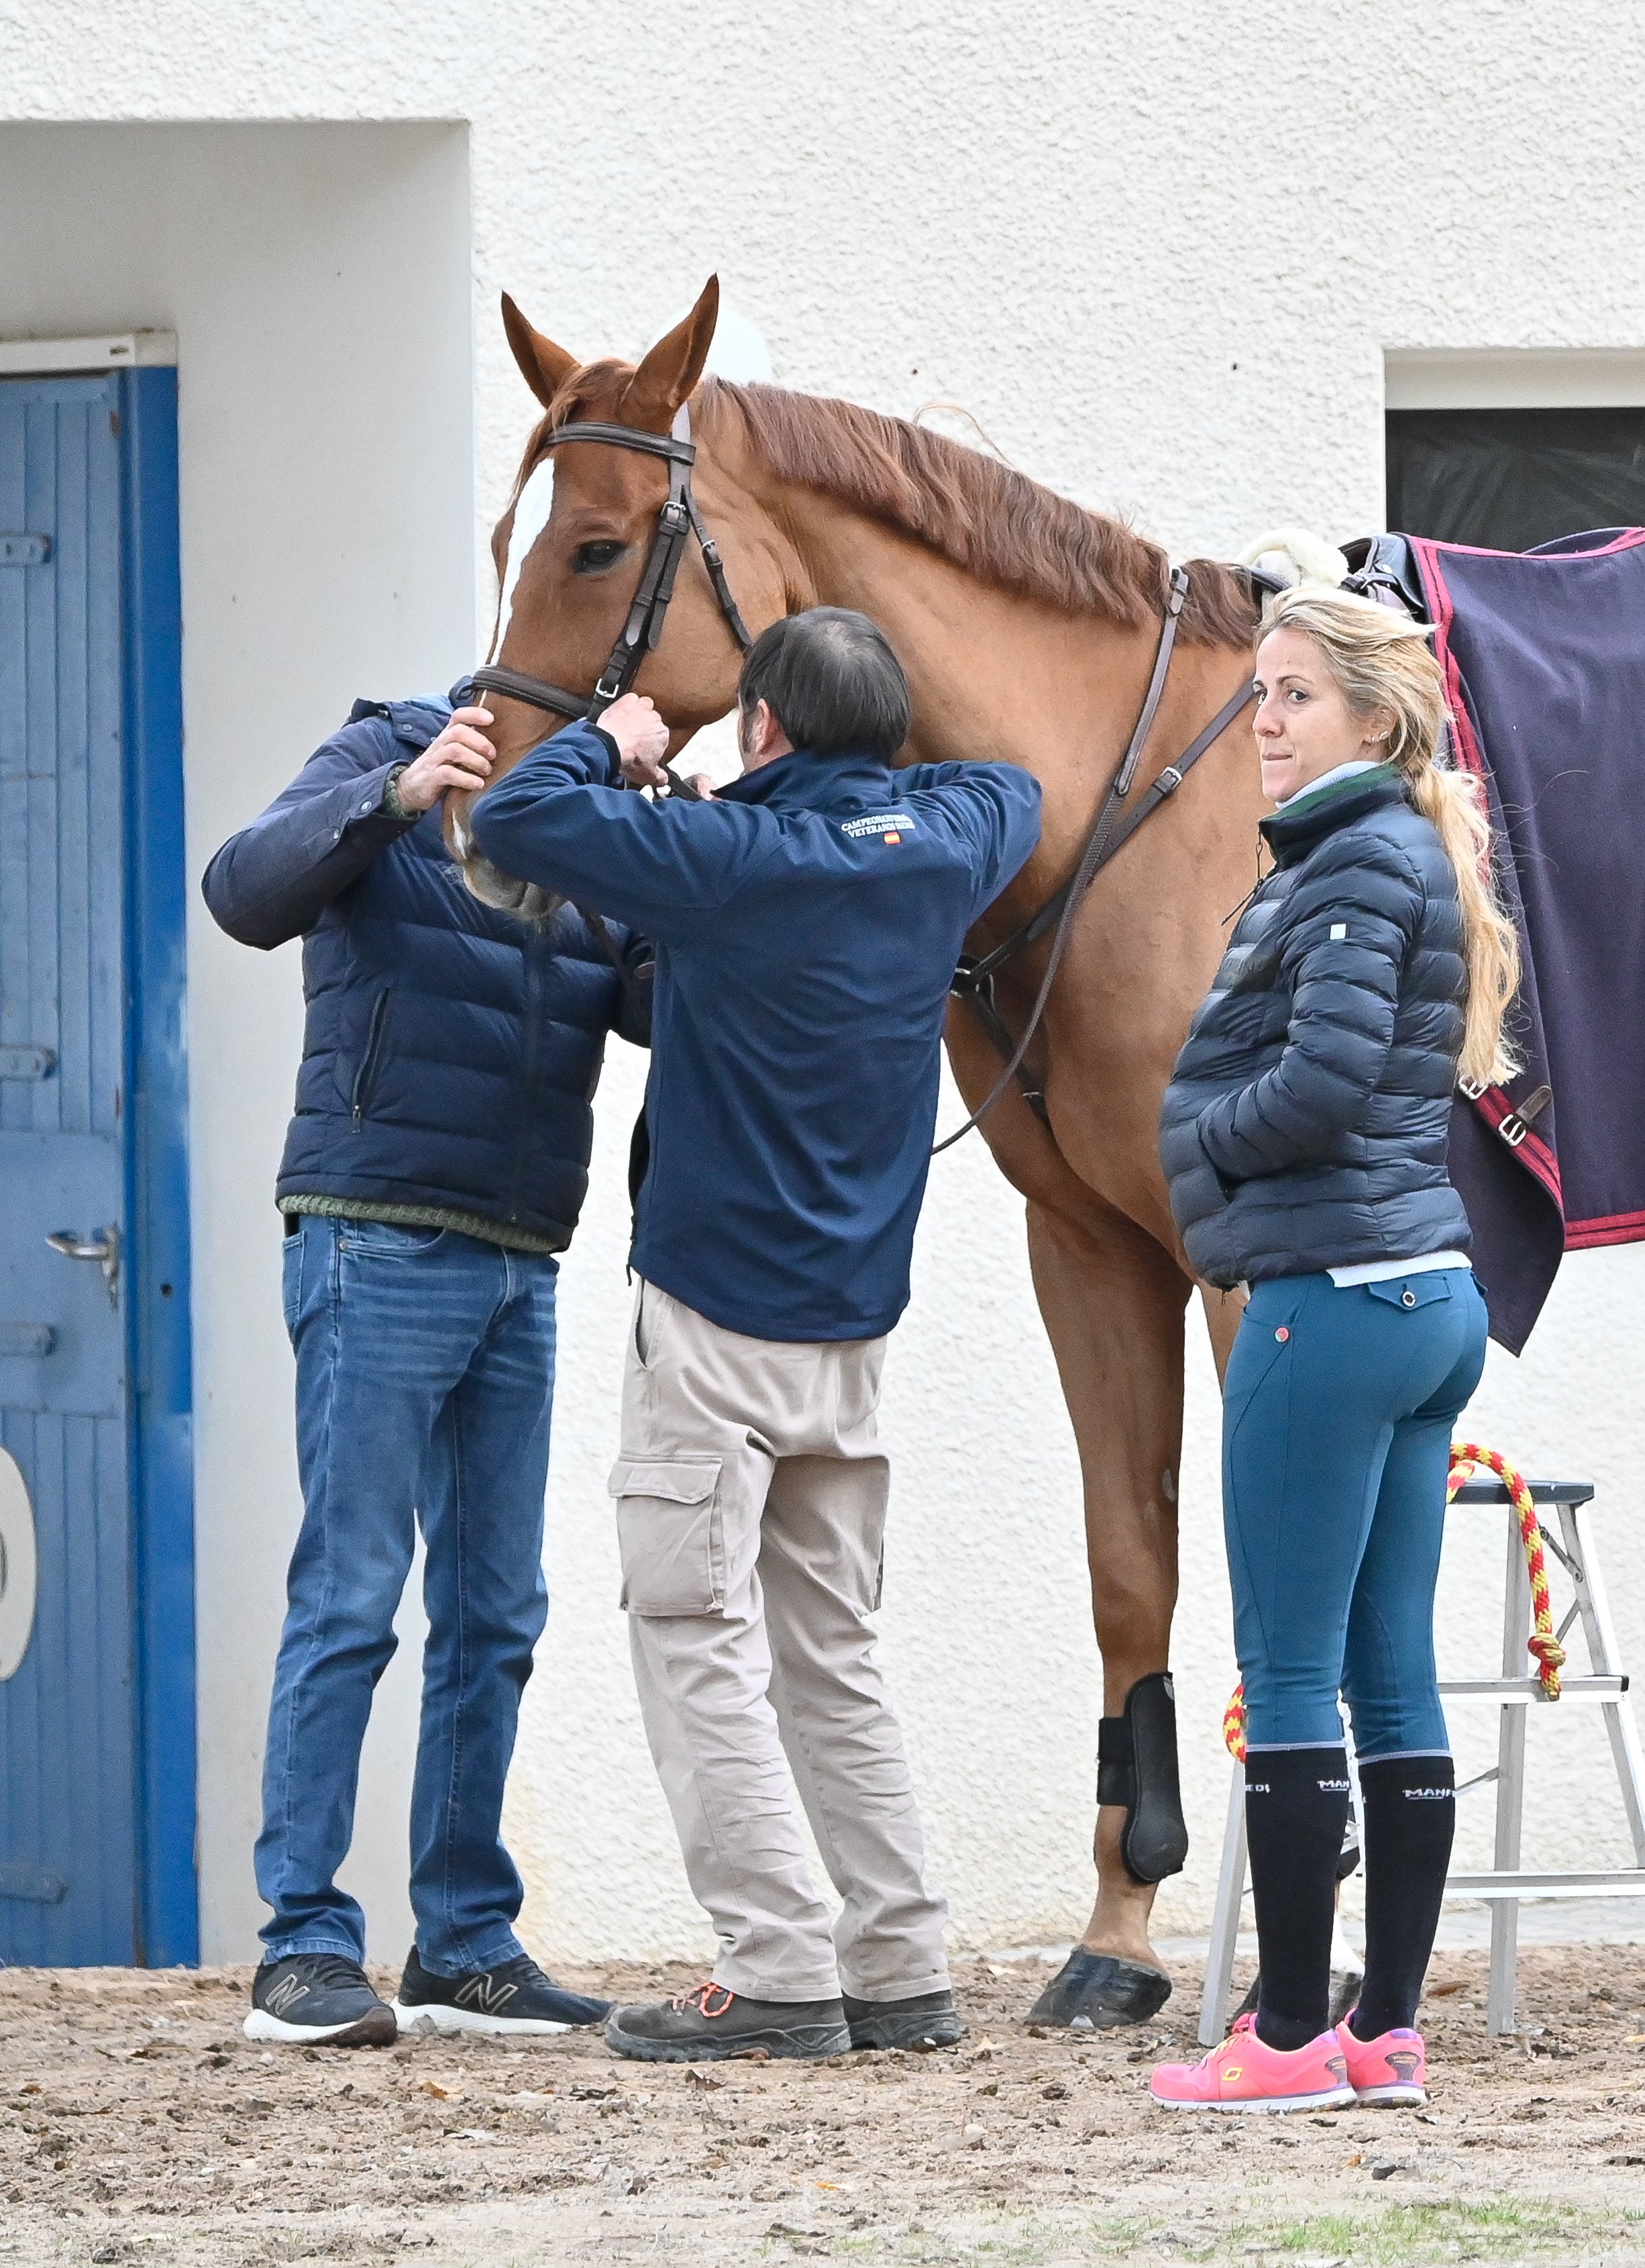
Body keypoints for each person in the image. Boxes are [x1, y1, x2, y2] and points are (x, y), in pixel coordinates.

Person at [471, 607, 1042, 2063]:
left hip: (715, 1315)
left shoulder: (726, 860)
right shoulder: (942, 846)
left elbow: (527, 811)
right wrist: (861, 781)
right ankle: (898, 1962)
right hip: (853, 1332)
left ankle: (780, 1965)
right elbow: (1011, 783)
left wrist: (624, 739)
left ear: (766, 728)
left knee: (692, 1638)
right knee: (830, 1649)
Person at [203, 684, 666, 2047]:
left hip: (521, 1251)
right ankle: (302, 1942)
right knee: (350, 1594)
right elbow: (244, 888)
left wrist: (669, 842)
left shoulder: (586, 817)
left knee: (495, 1612)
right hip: (375, 1236)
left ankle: (462, 1941)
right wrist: (396, 794)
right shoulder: (382, 744)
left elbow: (650, 1001)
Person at [1147, 586, 1520, 2113]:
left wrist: (1194, 1137)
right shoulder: (1388, 849)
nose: (1268, 722)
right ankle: (1383, 2031)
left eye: (1297, 693)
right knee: (1387, 1674)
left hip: (1332, 1296)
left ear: (1376, 718)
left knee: (1289, 1669)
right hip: (1421, 1301)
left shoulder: (1357, 859)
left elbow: (1318, 1081)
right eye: (1262, 694)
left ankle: (1290, 2034)